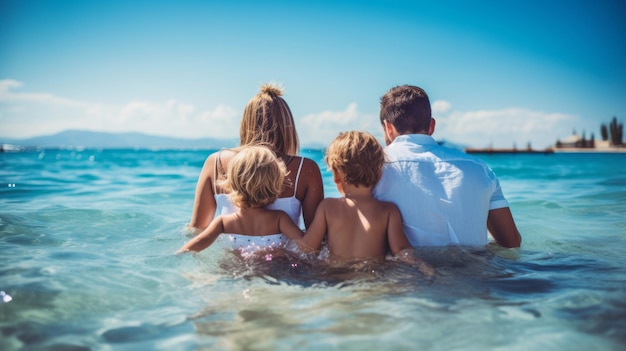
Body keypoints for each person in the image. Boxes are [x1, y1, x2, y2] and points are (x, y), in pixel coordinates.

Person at [372, 85, 522, 248]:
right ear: (431, 126)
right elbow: (511, 242)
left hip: (407, 271)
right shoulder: (480, 169)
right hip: (475, 271)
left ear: (388, 127)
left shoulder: (374, 168)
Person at [188, 83, 324, 241]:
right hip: (283, 264)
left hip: (229, 264)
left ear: (246, 124)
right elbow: (315, 240)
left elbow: (197, 230)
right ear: (287, 127)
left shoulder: (215, 162)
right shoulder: (305, 169)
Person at [293, 131, 435, 275]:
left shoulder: (327, 207)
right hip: (371, 276)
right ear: (379, 173)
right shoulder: (388, 212)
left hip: (335, 276)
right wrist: (425, 268)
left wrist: (283, 225)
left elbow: (307, 249)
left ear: (336, 175)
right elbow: (402, 251)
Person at [178, 146, 303, 254]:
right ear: (275, 186)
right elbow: (306, 246)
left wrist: (178, 254)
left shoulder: (223, 222)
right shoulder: (280, 219)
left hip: (234, 270)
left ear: (231, 184)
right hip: (272, 268)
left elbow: (197, 244)